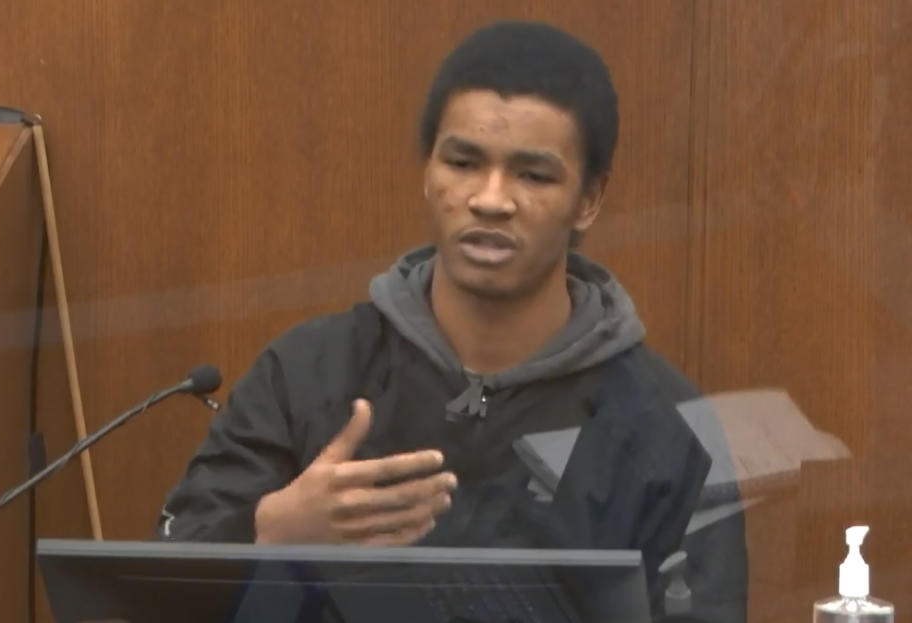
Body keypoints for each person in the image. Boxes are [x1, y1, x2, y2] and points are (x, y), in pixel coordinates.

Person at [158, 20, 747, 621]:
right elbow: (162, 582)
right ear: (428, 172)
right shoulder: (308, 373)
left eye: (533, 174)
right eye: (464, 162)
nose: (491, 199)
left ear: (588, 199)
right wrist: (271, 532)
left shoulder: (667, 427)